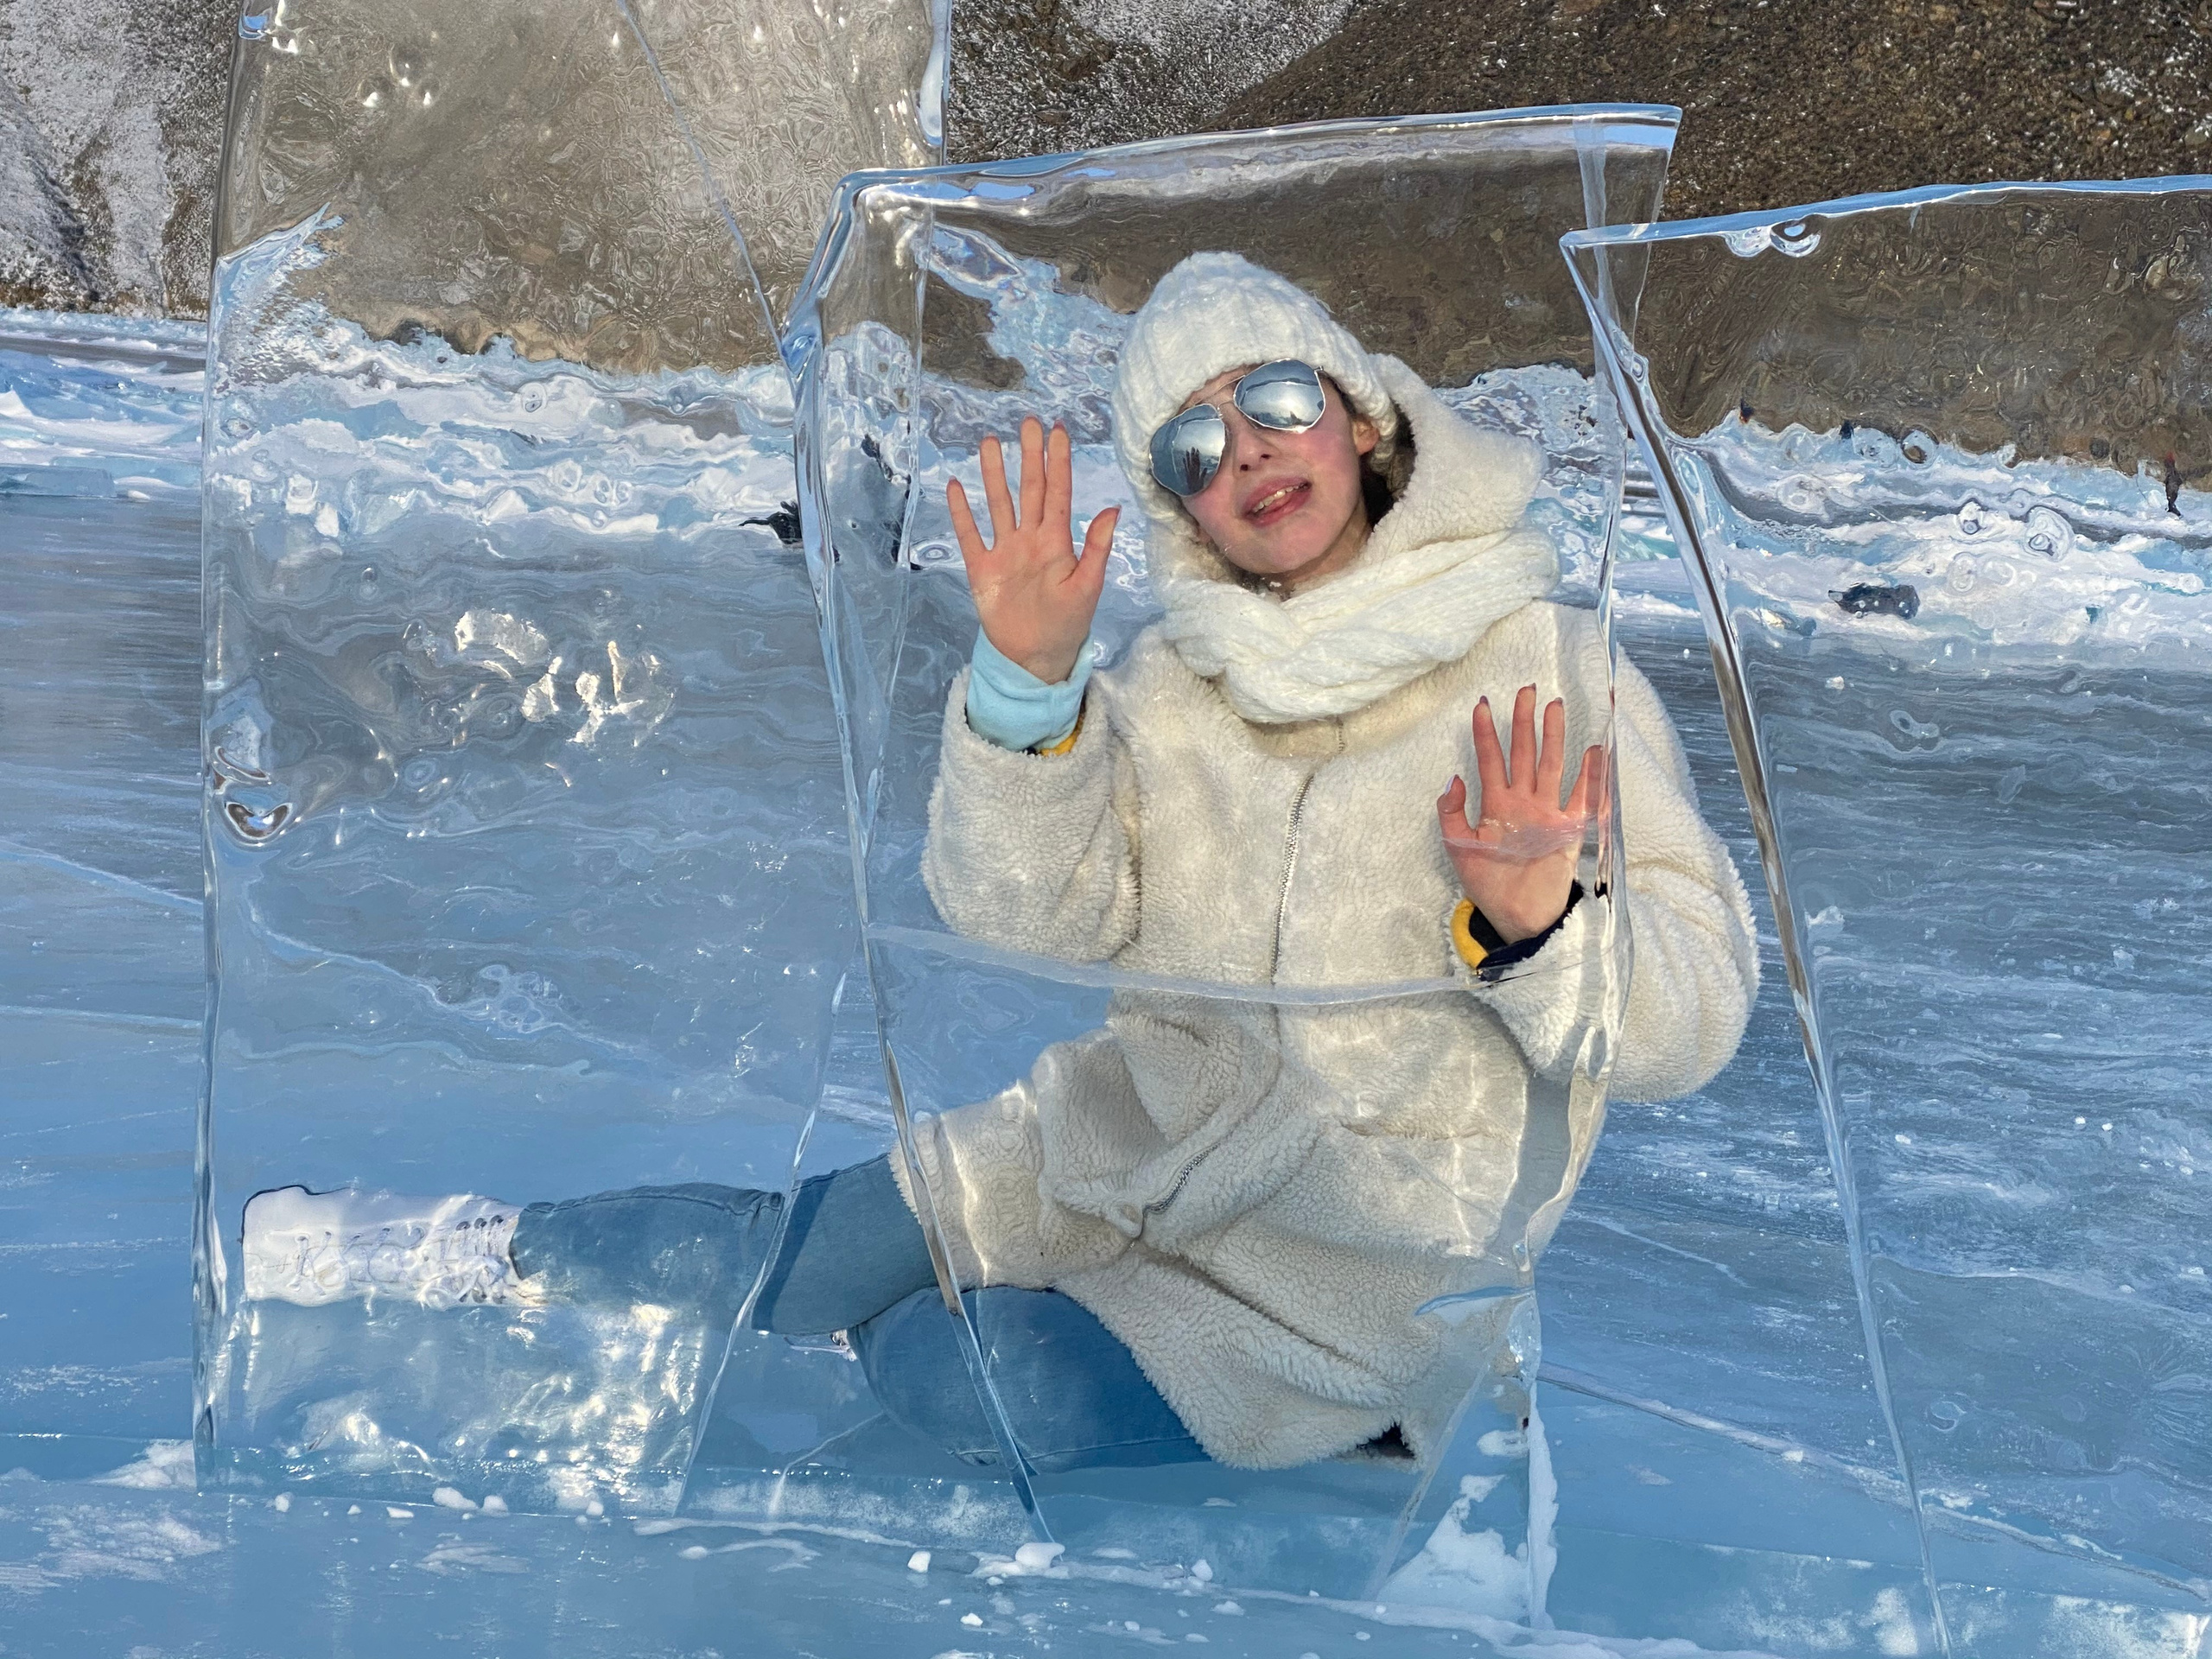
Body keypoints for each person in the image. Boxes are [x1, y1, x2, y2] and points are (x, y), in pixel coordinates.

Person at [243, 252, 1757, 1476]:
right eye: (1195, 447)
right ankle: (450, 1250)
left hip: (1351, 1276)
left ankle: (1359, 1432)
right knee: (804, 1253)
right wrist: (1029, 690)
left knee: (946, 1370)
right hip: (1117, 1147)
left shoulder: (1549, 665)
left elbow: (1690, 1025)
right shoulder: (1174, 683)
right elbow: (1027, 910)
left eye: (1278, 399)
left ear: (1359, 417)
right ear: (1178, 504)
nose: (1247, 451)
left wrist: (1539, 925)